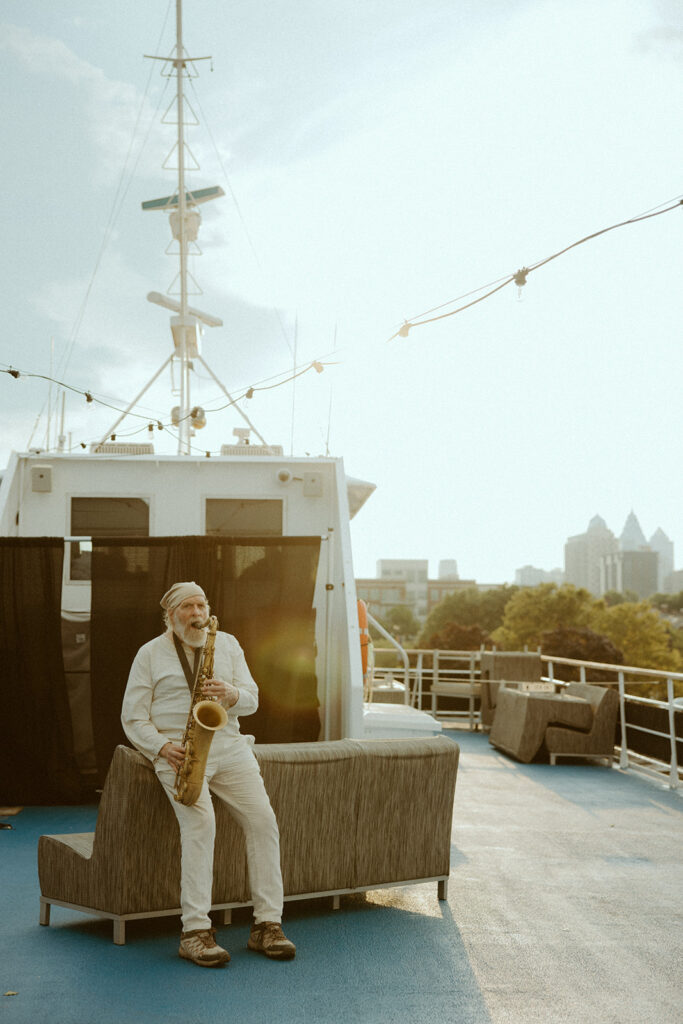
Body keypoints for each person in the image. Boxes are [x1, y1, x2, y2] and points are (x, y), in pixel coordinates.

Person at [121, 581, 296, 967]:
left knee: (263, 821)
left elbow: (252, 700)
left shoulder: (228, 644)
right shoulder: (150, 654)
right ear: (170, 616)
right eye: (187, 607)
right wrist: (161, 748)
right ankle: (194, 931)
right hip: (178, 753)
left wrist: (231, 695)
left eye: (201, 605)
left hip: (229, 746)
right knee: (201, 826)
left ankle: (267, 924)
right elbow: (132, 717)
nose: (197, 613)